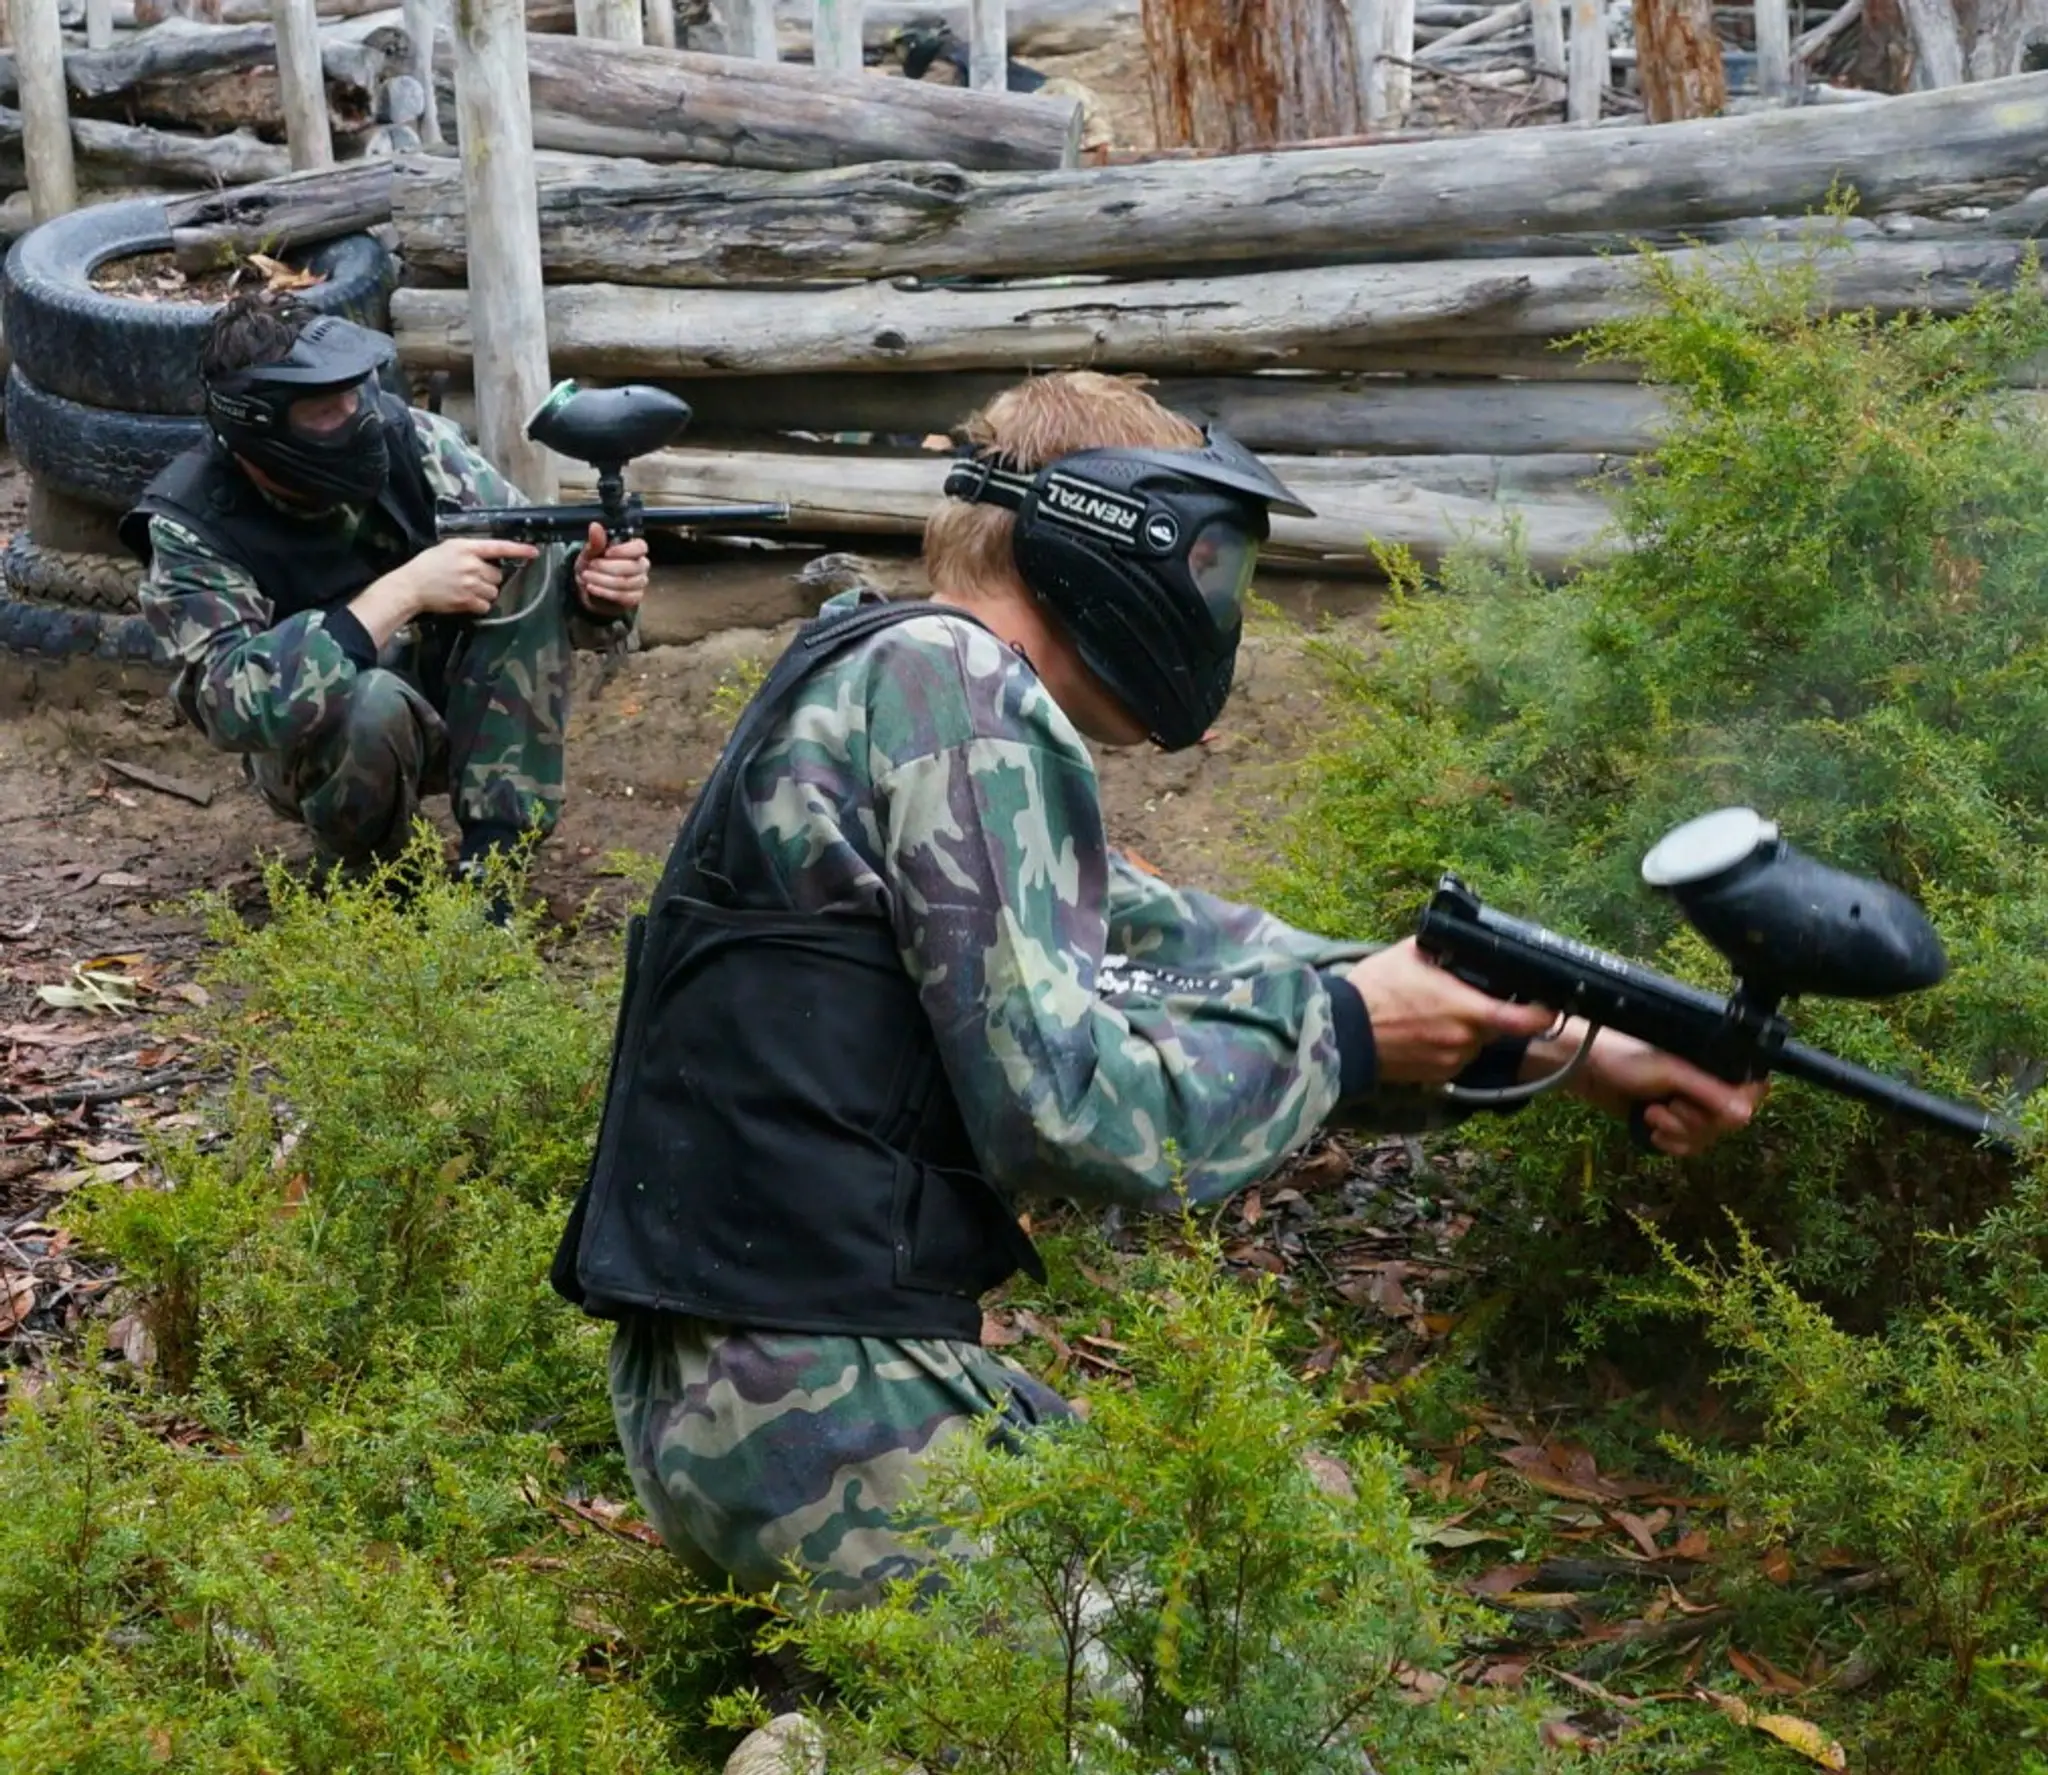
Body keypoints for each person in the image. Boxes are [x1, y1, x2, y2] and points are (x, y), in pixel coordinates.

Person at [549, 369, 1762, 1618]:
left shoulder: (894, 675)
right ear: (1096, 536)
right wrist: (1347, 1037)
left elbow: (1188, 949)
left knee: (1280, 1530)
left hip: (744, 1396)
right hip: (815, 1401)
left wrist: (1546, 1040)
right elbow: (1070, 1108)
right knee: (1233, 1665)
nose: (1216, 601)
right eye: (1209, 561)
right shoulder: (956, 694)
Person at [122, 291, 651, 893]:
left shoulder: (414, 442)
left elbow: (542, 587)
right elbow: (234, 708)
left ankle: (495, 864)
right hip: (312, 747)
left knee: (520, 557)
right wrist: (403, 591)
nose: (356, 419)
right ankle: (375, 885)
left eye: (356, 394)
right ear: (257, 419)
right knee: (367, 698)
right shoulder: (193, 521)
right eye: (324, 410)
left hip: (450, 704)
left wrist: (595, 594)